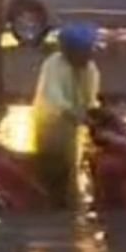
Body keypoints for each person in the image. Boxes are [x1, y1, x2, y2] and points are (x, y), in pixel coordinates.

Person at [32, 23, 101, 208]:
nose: (88, 55)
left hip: (72, 125)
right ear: (69, 50)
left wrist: (98, 115)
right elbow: (55, 98)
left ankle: (69, 204)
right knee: (54, 167)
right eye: (84, 50)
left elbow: (91, 98)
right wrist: (76, 113)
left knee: (72, 167)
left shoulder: (90, 68)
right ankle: (56, 207)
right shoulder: (53, 65)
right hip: (50, 123)